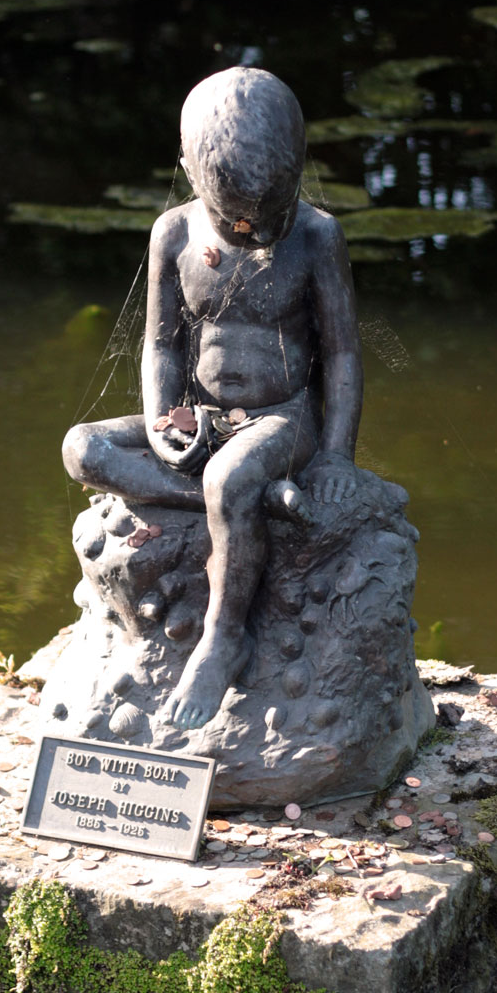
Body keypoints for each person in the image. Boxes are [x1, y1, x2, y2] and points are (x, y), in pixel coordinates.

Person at [63, 66, 362, 730]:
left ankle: (225, 637)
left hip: (279, 422)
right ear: (189, 174)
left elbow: (341, 354)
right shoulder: (172, 232)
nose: (255, 235)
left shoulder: (316, 238)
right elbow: (162, 346)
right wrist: (164, 420)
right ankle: (240, 498)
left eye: (269, 219)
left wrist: (336, 456)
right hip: (198, 417)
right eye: (238, 224)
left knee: (230, 475)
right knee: (83, 446)